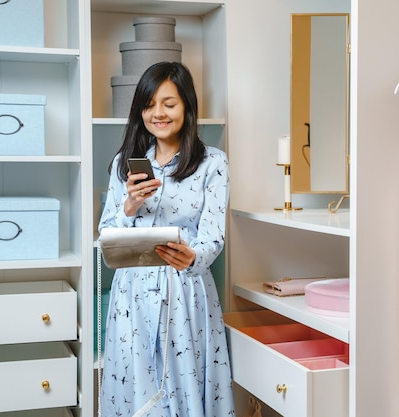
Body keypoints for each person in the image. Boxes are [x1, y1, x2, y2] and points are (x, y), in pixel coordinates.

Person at [98, 61, 235, 417]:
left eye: (169, 104)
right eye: (149, 104)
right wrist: (130, 205)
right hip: (133, 295)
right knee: (135, 381)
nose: (158, 113)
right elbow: (106, 235)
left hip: (185, 292)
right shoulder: (122, 167)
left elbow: (213, 235)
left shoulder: (213, 164)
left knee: (183, 384)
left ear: (187, 107)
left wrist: (191, 258)